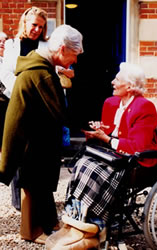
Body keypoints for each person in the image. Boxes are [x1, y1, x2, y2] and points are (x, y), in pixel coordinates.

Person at [45, 62, 157, 249]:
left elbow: (138, 146)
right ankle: (78, 217)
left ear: (130, 87)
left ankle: (95, 223)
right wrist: (100, 131)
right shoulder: (113, 103)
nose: (113, 82)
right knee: (83, 163)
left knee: (95, 170)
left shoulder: (143, 107)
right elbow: (114, 132)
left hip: (137, 162)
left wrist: (106, 138)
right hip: (116, 155)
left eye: (118, 80)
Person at [0, 24, 83, 244]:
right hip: (35, 145)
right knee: (36, 184)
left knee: (39, 185)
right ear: (63, 49)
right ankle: (33, 232)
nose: (73, 62)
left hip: (34, 143)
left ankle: (45, 225)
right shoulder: (41, 74)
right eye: (73, 56)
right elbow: (60, 114)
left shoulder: (40, 67)